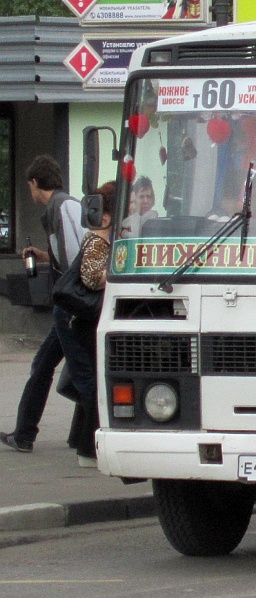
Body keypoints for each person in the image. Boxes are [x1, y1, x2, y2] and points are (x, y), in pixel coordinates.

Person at [1, 155, 87, 454]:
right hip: (68, 302)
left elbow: (78, 256)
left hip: (71, 303)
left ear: (36, 182)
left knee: (81, 371)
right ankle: (24, 433)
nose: (31, 193)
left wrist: (71, 294)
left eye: (30, 186)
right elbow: (70, 254)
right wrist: (42, 255)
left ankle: (91, 437)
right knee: (45, 365)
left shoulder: (62, 206)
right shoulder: (62, 207)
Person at [65, 182, 115, 467]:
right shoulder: (97, 240)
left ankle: (82, 443)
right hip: (87, 320)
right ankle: (87, 449)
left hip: (91, 319)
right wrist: (120, 272)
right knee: (95, 384)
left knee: (92, 383)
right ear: (105, 215)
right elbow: (91, 277)